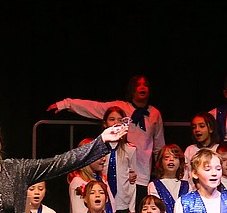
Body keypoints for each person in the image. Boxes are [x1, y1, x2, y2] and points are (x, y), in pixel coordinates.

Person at [48, 74, 165, 204]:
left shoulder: (155, 113)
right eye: (138, 85)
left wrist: (162, 170)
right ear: (132, 89)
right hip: (116, 172)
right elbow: (93, 107)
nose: (142, 87)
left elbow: (159, 145)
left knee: (137, 212)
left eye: (145, 85)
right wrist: (65, 104)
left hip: (141, 173)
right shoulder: (120, 108)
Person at [147, 144, 189, 213]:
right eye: (166, 157)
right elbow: (157, 210)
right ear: (161, 162)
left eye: (175, 157)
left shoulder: (187, 186)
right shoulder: (154, 185)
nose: (171, 160)